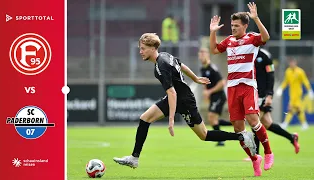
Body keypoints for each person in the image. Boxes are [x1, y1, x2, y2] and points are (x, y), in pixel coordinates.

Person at [113, 33, 256, 169]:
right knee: (144, 118)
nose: (140, 52)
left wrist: (170, 120)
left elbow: (172, 93)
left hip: (184, 101)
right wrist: (195, 78)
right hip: (179, 97)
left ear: (152, 48)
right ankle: (134, 158)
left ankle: (241, 136)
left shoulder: (161, 66)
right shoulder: (165, 56)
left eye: (143, 49)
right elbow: (181, 65)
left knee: (204, 135)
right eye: (140, 49)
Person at [209, 2, 273, 176]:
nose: (233, 28)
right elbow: (214, 50)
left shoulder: (252, 38)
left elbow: (265, 37)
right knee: (239, 130)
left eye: (237, 26)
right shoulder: (229, 41)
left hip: (248, 86)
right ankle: (255, 159)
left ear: (245, 26)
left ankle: (268, 152)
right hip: (232, 89)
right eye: (232, 25)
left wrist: (256, 18)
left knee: (253, 120)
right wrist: (213, 31)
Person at [240, 48, 300, 160]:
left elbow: (271, 76)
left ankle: (255, 155)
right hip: (252, 93)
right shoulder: (247, 53)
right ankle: (292, 137)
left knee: (255, 122)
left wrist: (269, 95)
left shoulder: (265, 56)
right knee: (267, 124)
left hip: (262, 95)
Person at [198, 47, 232, 146]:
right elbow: (205, 82)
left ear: (208, 55)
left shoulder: (212, 68)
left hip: (219, 95)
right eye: (200, 54)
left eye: (203, 54)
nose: (201, 56)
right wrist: (205, 92)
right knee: (212, 119)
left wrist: (209, 91)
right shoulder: (203, 68)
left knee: (212, 117)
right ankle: (234, 124)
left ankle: (221, 140)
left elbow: (222, 83)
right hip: (213, 96)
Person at [277, 57, 314, 130]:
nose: (291, 64)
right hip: (292, 93)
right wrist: (281, 88)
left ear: (295, 63)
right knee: (297, 109)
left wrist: (309, 90)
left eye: (292, 62)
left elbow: (305, 81)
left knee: (292, 108)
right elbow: (286, 81)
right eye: (290, 63)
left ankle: (286, 123)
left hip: (298, 93)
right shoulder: (288, 71)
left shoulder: (300, 71)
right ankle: (304, 124)